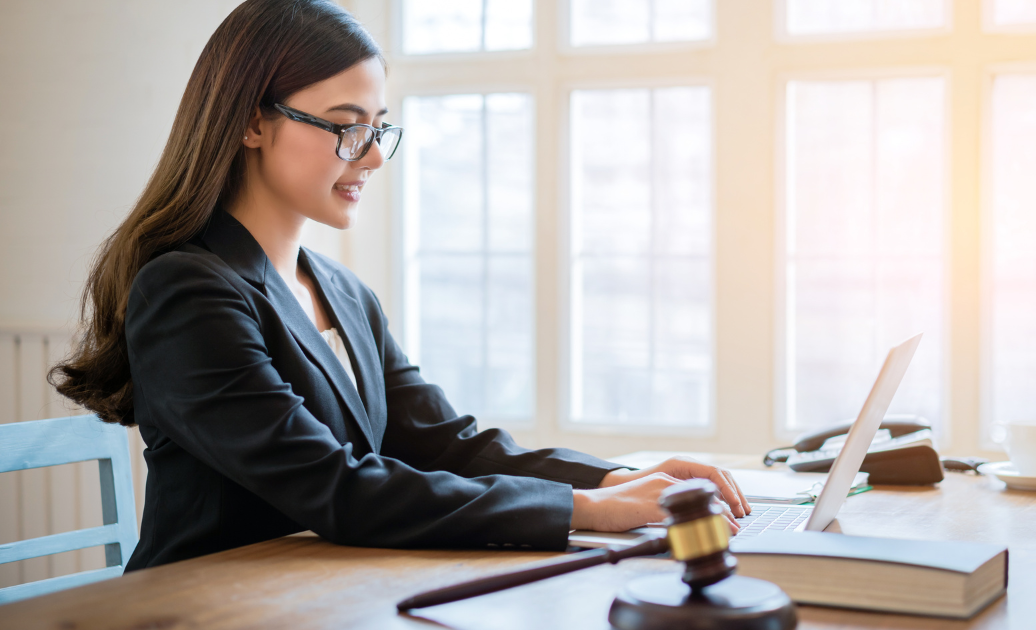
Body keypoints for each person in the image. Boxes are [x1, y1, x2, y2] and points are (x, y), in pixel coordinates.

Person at [51, 0, 749, 571]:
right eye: (346, 128)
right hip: (207, 608)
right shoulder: (186, 291)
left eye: (381, 128)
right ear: (251, 122)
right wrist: (586, 513)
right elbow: (337, 488)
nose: (374, 156)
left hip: (327, 589)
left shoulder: (343, 292)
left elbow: (448, 443)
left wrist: (610, 479)